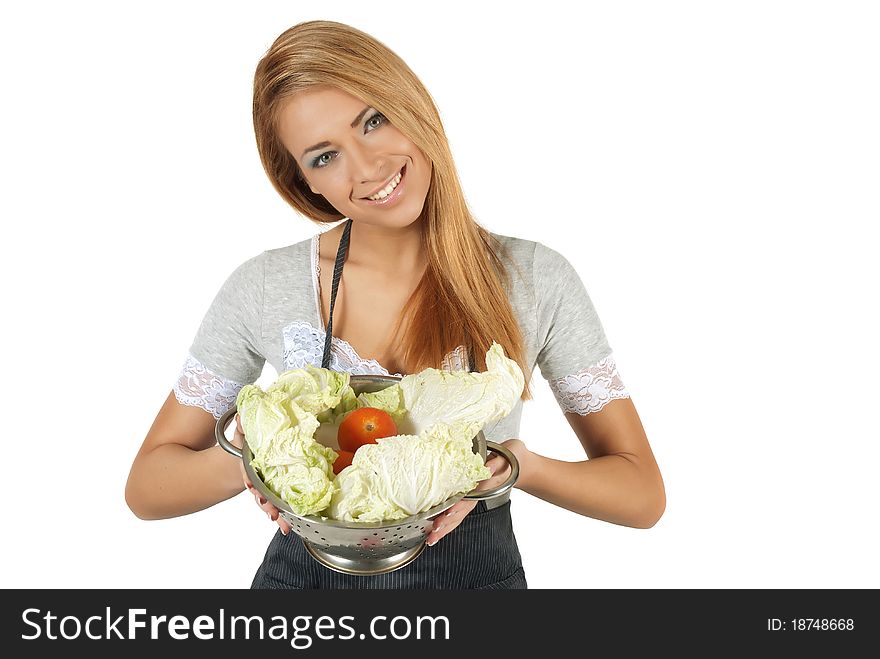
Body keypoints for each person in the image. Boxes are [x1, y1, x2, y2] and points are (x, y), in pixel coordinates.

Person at [125, 20, 665, 589]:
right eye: (324, 157)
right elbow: (147, 486)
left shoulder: (535, 279)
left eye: (373, 121)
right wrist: (255, 463)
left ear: (409, 104)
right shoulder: (264, 286)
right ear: (306, 183)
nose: (367, 168)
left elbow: (640, 494)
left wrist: (518, 466)